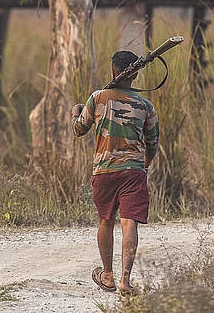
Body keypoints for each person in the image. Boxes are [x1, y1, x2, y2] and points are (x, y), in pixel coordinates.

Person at [71, 50, 160, 294]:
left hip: (104, 172)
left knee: (105, 221)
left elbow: (79, 130)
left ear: (113, 71)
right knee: (129, 223)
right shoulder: (145, 105)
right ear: (136, 74)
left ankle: (107, 275)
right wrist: (147, 163)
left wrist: (76, 112)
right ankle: (125, 280)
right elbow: (152, 142)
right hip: (133, 171)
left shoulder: (98, 98)